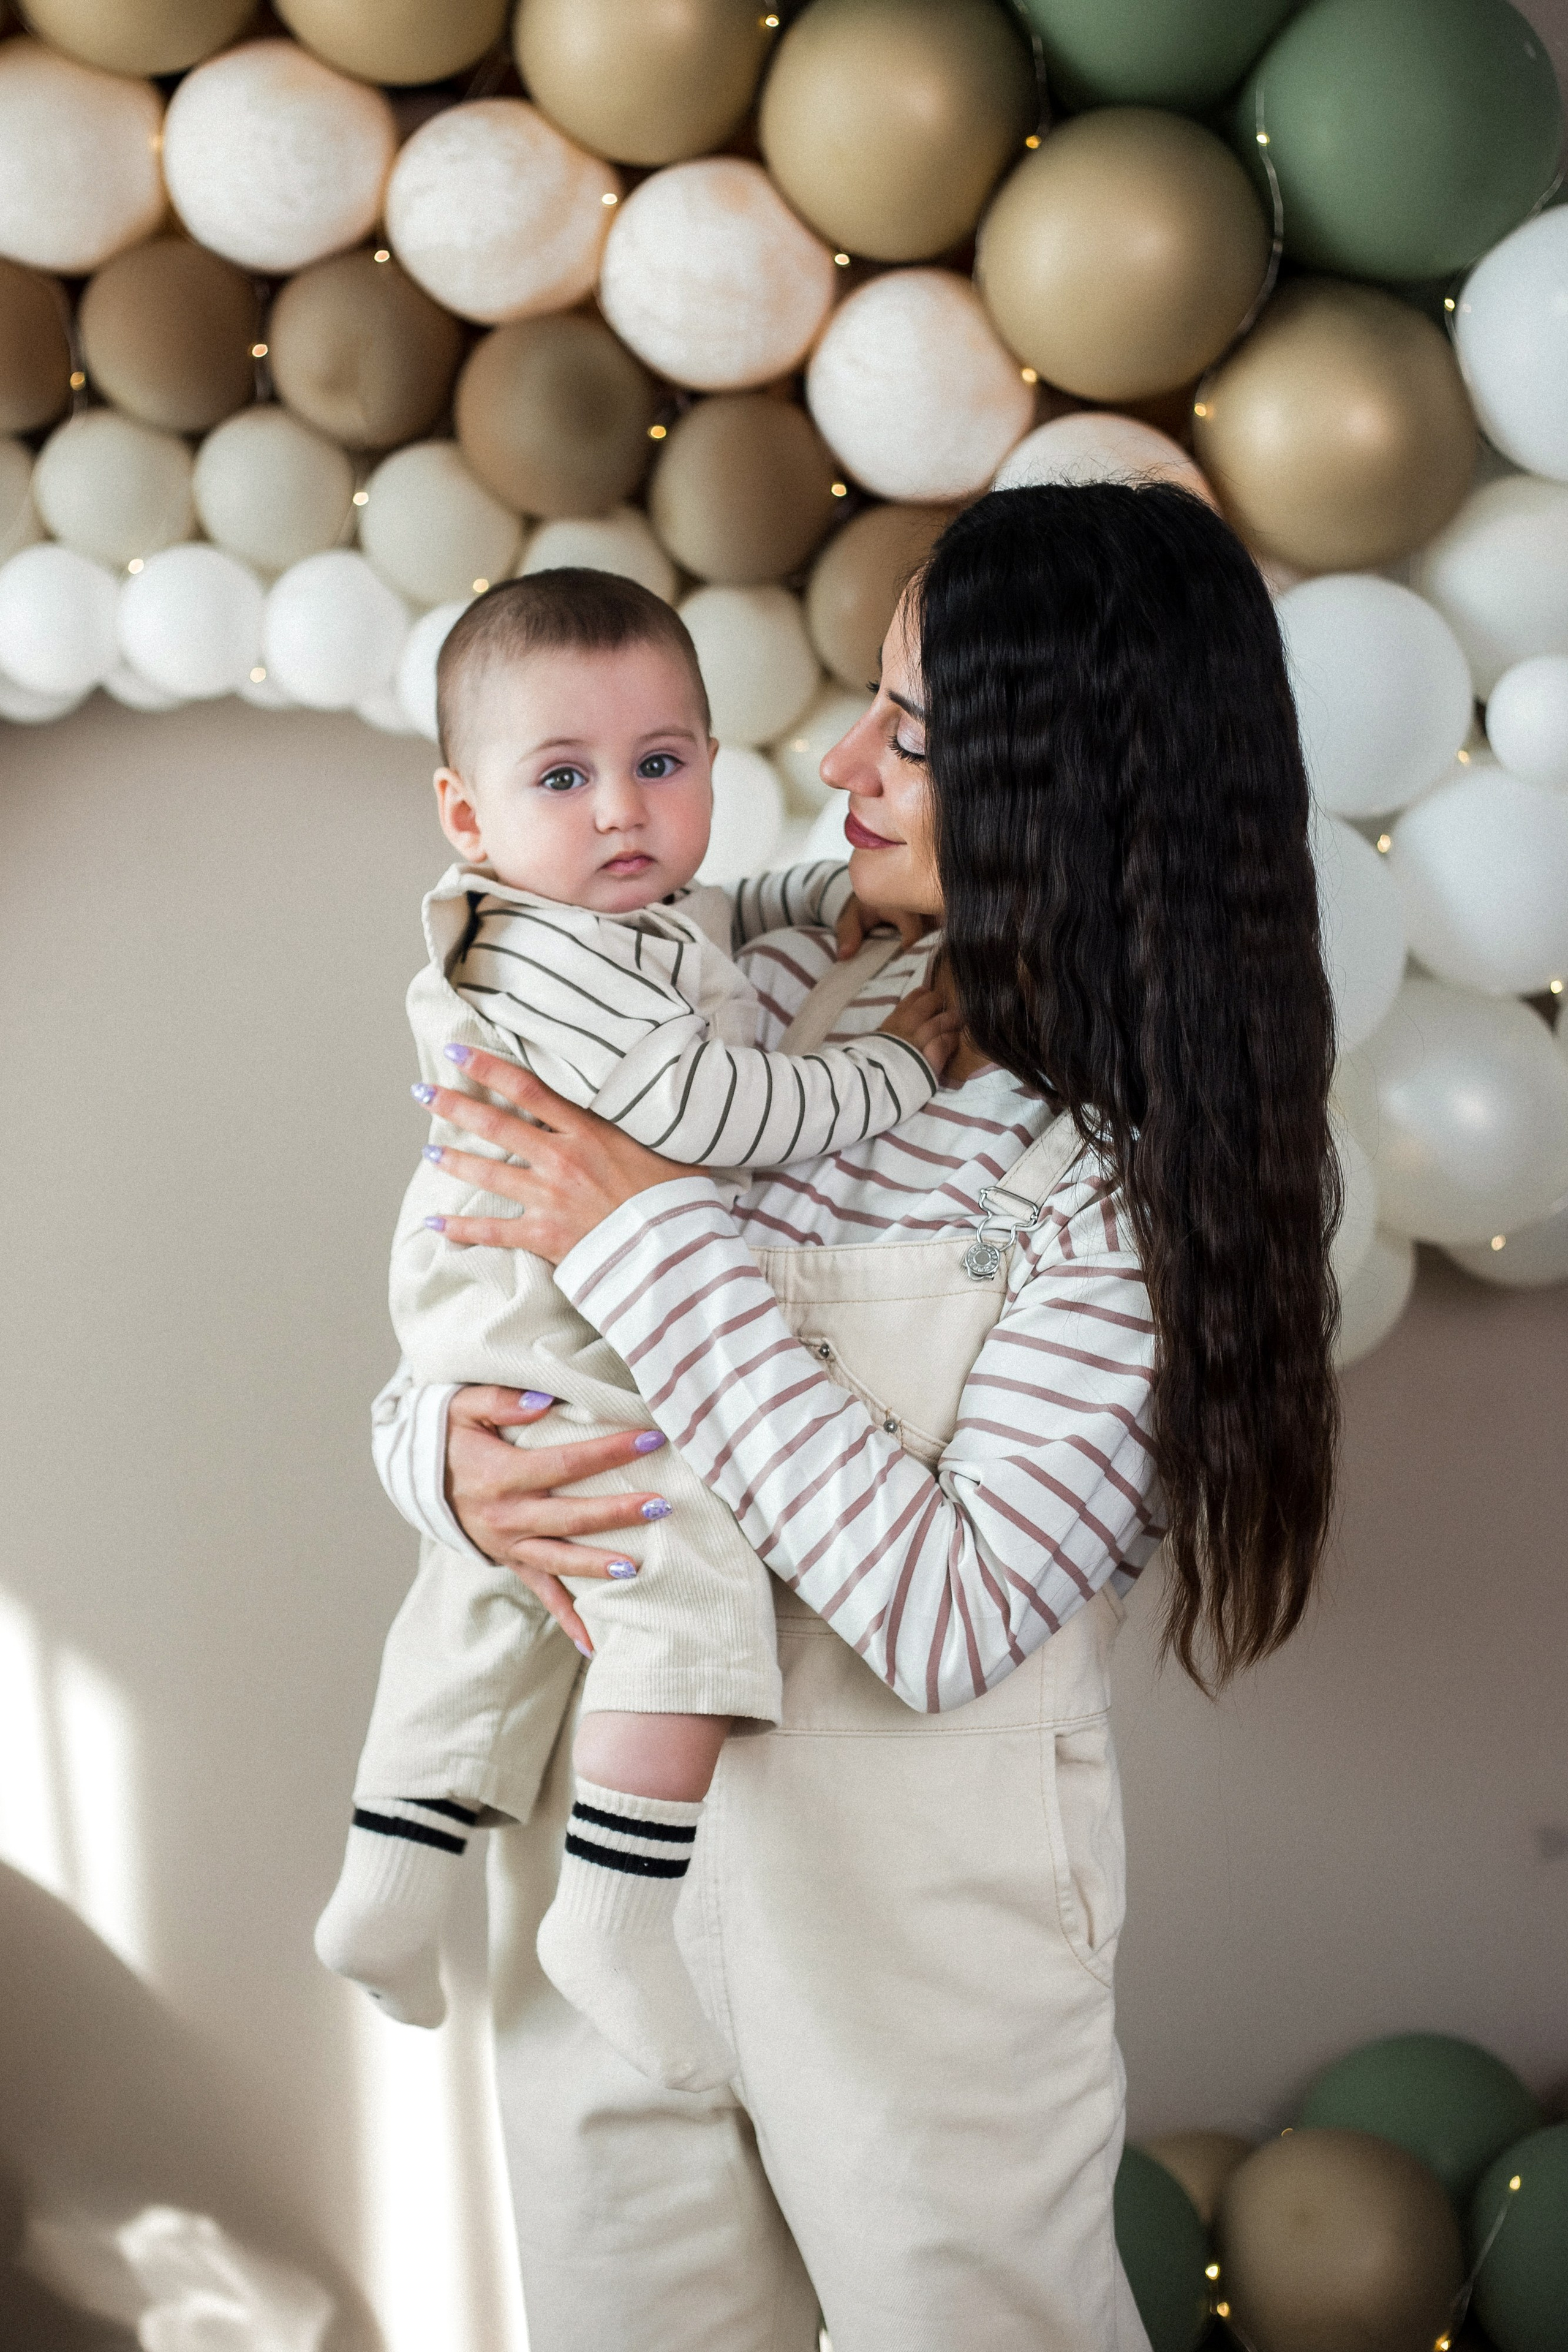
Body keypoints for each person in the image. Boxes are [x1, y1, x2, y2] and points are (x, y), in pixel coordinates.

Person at [369, 483, 1342, 2351]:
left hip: (911, 1950)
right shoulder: (768, 985)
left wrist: (654, 1236)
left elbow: (948, 1614)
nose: (838, 760)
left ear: (1056, 771)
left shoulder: (1134, 1185)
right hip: (607, 1894)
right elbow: (471, 1303)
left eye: (910, 726)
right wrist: (453, 1471)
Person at [316, 572, 954, 2090]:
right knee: (673, 1568)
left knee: (493, 1601)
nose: (621, 811)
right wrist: (897, 1073)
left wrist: (831, 899)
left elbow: (731, 918)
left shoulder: (627, 920)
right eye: (563, 777)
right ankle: (609, 1918)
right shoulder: (545, 956)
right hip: (549, 1323)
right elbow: (705, 1109)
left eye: (661, 763)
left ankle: (391, 1883)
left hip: (516, 1326)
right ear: (466, 818)